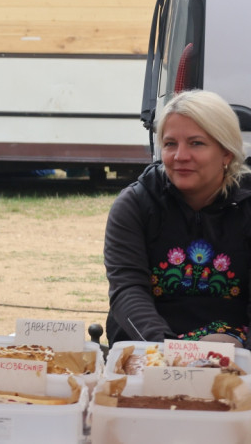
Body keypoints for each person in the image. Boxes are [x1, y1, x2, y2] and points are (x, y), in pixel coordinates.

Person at [104, 89, 251, 348]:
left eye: (196, 143)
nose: (180, 156)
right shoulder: (135, 205)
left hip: (233, 345)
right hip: (149, 345)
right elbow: (127, 290)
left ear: (227, 153)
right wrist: (168, 351)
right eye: (170, 144)